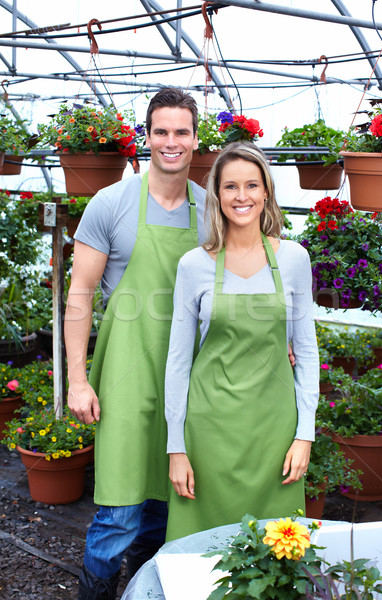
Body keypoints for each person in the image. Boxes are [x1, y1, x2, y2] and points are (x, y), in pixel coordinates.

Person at [64, 87, 207, 600]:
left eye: (182, 132)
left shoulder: (211, 211)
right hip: (126, 376)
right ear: (146, 137)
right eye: (161, 131)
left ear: (195, 139)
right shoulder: (112, 203)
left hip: (190, 380)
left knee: (167, 513)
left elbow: (241, 286)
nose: (172, 142)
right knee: (119, 512)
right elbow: (79, 294)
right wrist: (77, 382)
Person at [164, 141, 319, 541]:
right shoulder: (194, 265)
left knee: (276, 554)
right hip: (207, 431)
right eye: (230, 186)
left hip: (274, 431)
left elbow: (306, 351)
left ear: (266, 191)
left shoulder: (294, 259)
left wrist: (305, 435)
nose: (242, 196)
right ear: (217, 194)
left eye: (252, 185)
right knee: (200, 551)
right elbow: (179, 361)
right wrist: (176, 447)